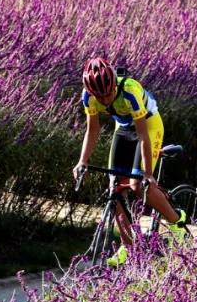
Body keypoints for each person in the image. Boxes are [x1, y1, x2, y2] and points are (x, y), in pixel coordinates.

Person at [72, 57, 187, 266]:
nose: (105, 100)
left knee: (137, 184)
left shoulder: (130, 91)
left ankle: (177, 221)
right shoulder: (88, 96)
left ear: (114, 84)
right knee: (114, 189)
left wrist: (148, 174)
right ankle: (128, 246)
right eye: (100, 96)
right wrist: (82, 161)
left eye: (108, 94)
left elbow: (143, 135)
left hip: (149, 125)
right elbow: (93, 129)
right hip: (124, 129)